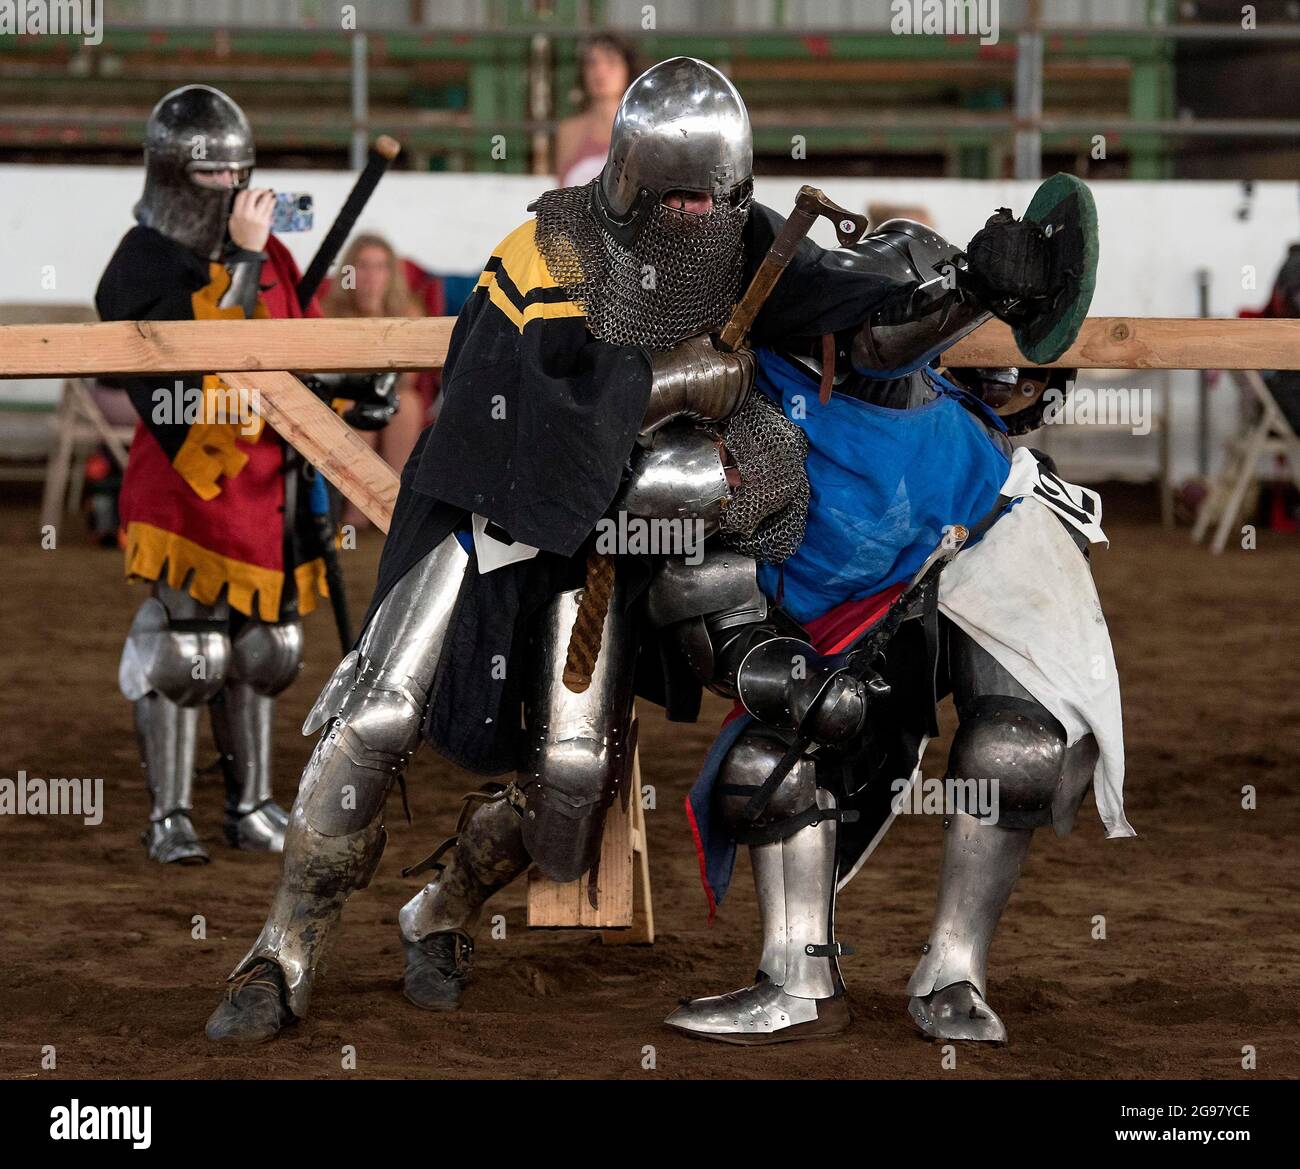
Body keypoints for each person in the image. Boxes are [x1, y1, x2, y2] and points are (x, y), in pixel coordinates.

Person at [204, 58, 1069, 1044]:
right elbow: (501, 410)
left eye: (717, 200)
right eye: (681, 198)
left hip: (603, 543)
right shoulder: (546, 254)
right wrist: (657, 379)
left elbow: (857, 325)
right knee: (375, 714)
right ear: (630, 179)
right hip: (489, 518)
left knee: (569, 790)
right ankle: (285, 944)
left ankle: (440, 906)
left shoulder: (742, 247)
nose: (699, 216)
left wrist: (971, 288)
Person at [663, 208, 1129, 1045]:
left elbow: (1001, 471)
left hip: (976, 551)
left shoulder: (967, 444)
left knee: (1015, 750)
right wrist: (783, 671)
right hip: (845, 618)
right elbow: (705, 599)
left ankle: (955, 970)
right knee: (767, 759)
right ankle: (797, 979)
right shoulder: (751, 403)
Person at [96, 85, 333, 864]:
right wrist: (239, 255)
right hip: (189, 485)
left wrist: (349, 390)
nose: (230, 192)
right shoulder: (142, 263)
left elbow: (299, 342)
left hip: (266, 489)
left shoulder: (275, 254)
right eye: (210, 178)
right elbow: (199, 365)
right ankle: (169, 816)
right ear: (171, 174)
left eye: (239, 174)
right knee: (191, 651)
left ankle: (252, 802)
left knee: (265, 646)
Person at [320, 234, 427, 477]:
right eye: (363, 266)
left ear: (391, 274)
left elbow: (409, 379)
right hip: (346, 395)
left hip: (391, 393)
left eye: (380, 267)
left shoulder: (408, 311)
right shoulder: (331, 310)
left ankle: (396, 501)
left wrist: (379, 309)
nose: (372, 275)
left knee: (407, 404)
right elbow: (330, 373)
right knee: (358, 409)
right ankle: (356, 510)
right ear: (349, 272)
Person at [553, 33, 635, 187]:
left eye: (611, 62)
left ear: (627, 69)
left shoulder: (643, 130)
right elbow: (561, 194)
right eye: (592, 63)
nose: (600, 71)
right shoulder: (568, 131)